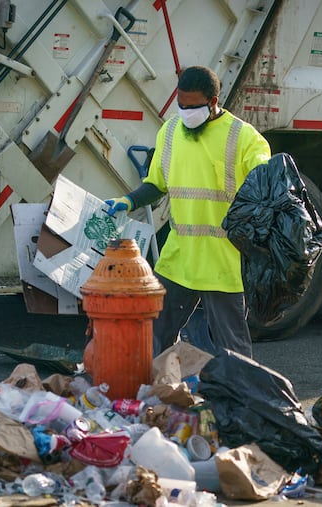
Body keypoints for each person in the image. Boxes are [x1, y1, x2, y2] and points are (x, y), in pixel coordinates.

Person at [105, 65, 271, 358]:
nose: (185, 112)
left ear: (213, 101)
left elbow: (266, 185)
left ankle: (242, 398)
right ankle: (152, 394)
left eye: (193, 107)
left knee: (234, 351)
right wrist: (129, 201)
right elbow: (157, 184)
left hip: (223, 262)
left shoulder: (243, 138)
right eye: (181, 105)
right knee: (153, 338)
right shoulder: (170, 132)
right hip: (180, 258)